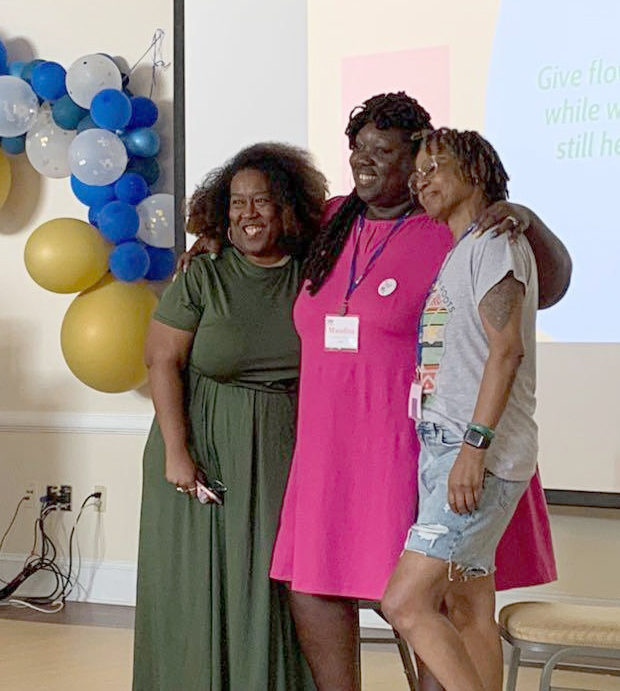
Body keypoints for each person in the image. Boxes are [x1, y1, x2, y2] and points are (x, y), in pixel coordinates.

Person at [180, 92, 569, 691]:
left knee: (428, 601)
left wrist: (525, 216)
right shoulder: (332, 218)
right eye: (357, 148)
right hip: (329, 442)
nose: (364, 160)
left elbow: (548, 287)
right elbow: (256, 228)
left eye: (382, 151)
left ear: (417, 161)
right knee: (311, 587)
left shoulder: (452, 227)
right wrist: (213, 240)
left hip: (415, 441)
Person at [132, 143, 327, 690]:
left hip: (281, 447)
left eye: (262, 201)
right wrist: (177, 452)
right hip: (201, 446)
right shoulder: (204, 273)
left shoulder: (314, 273)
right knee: (200, 589)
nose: (248, 214)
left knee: (270, 585)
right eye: (237, 203)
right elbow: (160, 359)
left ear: (287, 207)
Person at [382, 127, 539, 691]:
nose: (420, 180)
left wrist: (473, 449)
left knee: (404, 601)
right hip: (444, 447)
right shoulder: (464, 250)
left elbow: (507, 350)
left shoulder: (496, 242)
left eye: (435, 167)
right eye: (417, 171)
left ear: (475, 173)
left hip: (472, 453)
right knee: (469, 604)